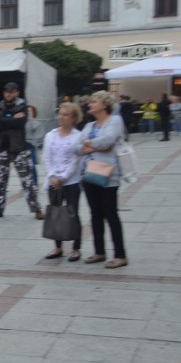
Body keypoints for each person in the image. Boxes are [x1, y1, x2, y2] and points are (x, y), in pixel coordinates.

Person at [77, 91, 128, 269]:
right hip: (88, 174)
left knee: (111, 214)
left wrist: (89, 145)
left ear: (105, 104)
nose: (90, 103)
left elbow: (108, 140)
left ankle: (120, 255)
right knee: (95, 215)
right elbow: (76, 147)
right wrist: (94, 146)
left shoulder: (115, 120)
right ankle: (99, 251)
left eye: (94, 101)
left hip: (108, 175)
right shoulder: (89, 125)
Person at [0, 82, 44, 220]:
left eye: (12, 91)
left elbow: (20, 123)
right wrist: (11, 119)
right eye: (6, 91)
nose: (9, 94)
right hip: (2, 147)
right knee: (1, 181)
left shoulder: (22, 106)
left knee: (27, 181)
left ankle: (36, 208)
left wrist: (5, 120)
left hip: (18, 148)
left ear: (17, 93)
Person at [41, 102, 83, 262]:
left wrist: (63, 177)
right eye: (60, 113)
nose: (61, 117)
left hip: (71, 181)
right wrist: (52, 175)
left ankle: (76, 248)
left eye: (65, 115)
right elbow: (46, 157)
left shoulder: (77, 136)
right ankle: (57, 246)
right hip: (53, 180)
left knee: (73, 214)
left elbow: (76, 160)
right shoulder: (50, 135)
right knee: (56, 213)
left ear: (73, 118)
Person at [25, 105, 43, 187]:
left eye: (30, 111)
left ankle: (35, 183)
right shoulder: (22, 122)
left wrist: (31, 120)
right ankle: (27, 183)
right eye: (27, 111)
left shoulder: (37, 123)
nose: (29, 112)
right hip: (23, 144)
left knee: (31, 164)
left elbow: (39, 135)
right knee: (24, 166)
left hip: (31, 145)